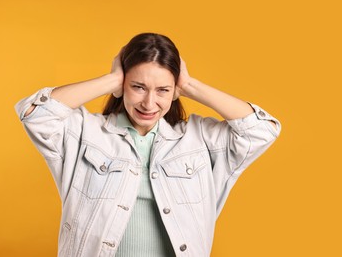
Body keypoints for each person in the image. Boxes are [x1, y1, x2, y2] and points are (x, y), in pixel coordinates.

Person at [15, 33, 281, 257]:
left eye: (163, 90)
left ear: (176, 90)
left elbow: (262, 130)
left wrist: (189, 84)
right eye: (138, 87)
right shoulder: (87, 133)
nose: (149, 103)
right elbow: (36, 113)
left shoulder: (198, 140)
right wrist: (110, 81)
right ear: (123, 84)